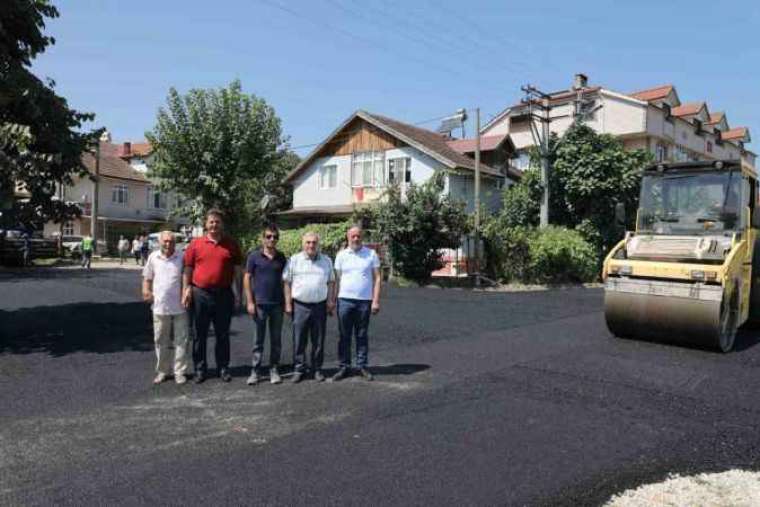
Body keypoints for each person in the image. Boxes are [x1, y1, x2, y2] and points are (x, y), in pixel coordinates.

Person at [182, 209, 243, 384]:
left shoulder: (231, 244)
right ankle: (200, 369)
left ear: (222, 224)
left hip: (224, 295)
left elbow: (238, 271)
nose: (214, 225)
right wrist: (186, 289)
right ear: (206, 224)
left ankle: (223, 368)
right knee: (200, 335)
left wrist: (238, 293)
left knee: (222, 335)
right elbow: (188, 268)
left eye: (217, 222)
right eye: (211, 222)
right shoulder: (196, 244)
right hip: (200, 294)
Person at [283, 232, 336, 383]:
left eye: (314, 242)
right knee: (299, 339)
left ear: (318, 244)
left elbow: (331, 282)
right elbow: (287, 282)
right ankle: (299, 369)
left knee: (318, 340)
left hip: (320, 306)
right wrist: (287, 303)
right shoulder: (294, 260)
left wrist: (331, 301)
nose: (311, 245)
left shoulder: (326, 260)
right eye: (308, 242)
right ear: (302, 243)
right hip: (300, 305)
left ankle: (317, 369)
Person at [332, 226, 382, 382]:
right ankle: (344, 366)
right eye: (353, 236)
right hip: (344, 300)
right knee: (344, 335)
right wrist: (332, 300)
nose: (356, 239)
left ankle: (362, 366)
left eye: (358, 236)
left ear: (362, 237)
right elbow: (336, 280)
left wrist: (375, 300)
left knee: (361, 335)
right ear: (348, 237)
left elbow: (378, 278)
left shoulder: (371, 254)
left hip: (364, 302)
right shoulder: (341, 255)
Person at [142, 231, 189, 385]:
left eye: (171, 242)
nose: (168, 244)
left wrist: (187, 292)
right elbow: (147, 277)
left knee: (181, 341)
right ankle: (162, 371)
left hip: (180, 307)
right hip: (160, 306)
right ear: (159, 242)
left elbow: (188, 277)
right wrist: (146, 290)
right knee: (160, 341)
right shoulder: (153, 257)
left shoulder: (182, 257)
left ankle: (179, 372)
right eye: (166, 241)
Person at [244, 224, 287, 385]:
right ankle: (255, 371)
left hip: (277, 305)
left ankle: (274, 370)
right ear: (263, 238)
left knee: (276, 340)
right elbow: (247, 278)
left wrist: (287, 302)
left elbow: (286, 281)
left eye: (275, 237)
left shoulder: (282, 257)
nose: (272, 239)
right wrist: (249, 301)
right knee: (258, 341)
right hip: (259, 304)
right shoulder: (254, 257)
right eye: (268, 236)